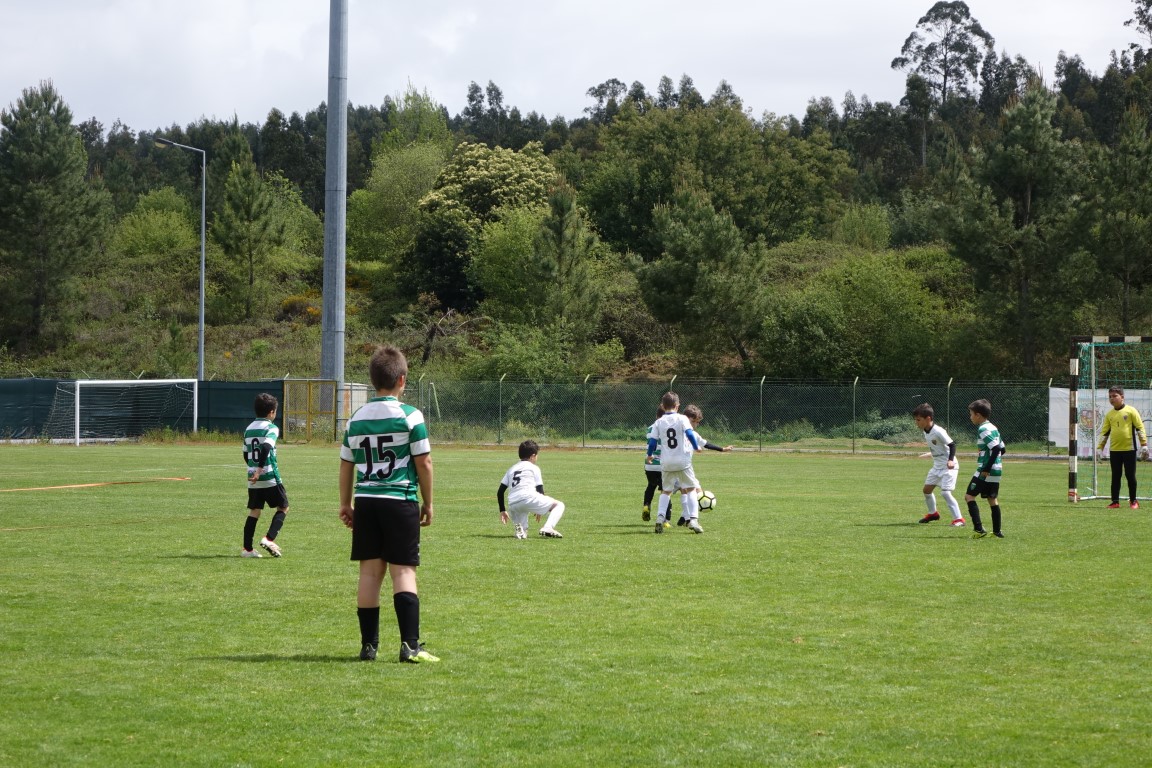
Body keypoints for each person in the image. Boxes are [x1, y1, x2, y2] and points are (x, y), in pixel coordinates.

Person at [339, 345, 439, 663]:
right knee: (403, 572)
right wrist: (428, 503)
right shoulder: (410, 415)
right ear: (402, 380)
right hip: (399, 500)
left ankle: (369, 646)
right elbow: (424, 462)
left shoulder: (356, 418)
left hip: (366, 501)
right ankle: (410, 646)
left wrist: (346, 503)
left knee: (369, 574)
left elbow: (346, 465)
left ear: (373, 380)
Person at [646, 391, 704, 534]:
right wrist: (696, 446)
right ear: (677, 406)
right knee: (691, 489)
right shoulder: (682, 418)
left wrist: (650, 455)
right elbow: (689, 433)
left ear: (663, 406)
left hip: (666, 462)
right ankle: (693, 520)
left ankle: (660, 518)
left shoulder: (658, 422)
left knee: (666, 491)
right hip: (682, 461)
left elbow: (653, 441)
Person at [242, 393, 289, 558]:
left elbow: (246, 454)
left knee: (254, 511)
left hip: (252, 478)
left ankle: (247, 549)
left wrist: (253, 470)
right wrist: (260, 469)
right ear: (271, 412)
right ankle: (269, 539)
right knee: (283, 507)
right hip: (268, 476)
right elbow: (267, 447)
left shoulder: (249, 429)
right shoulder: (271, 428)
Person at [672, 404, 733, 527]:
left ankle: (684, 517)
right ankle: (687, 518)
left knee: (687, 490)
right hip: (682, 467)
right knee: (694, 491)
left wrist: (722, 449)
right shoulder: (682, 433)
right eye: (695, 422)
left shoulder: (691, 433)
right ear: (688, 419)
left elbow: (706, 444)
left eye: (698, 422)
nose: (696, 424)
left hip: (675, 467)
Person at [497, 440, 566, 539]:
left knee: (522, 533)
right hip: (528, 499)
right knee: (559, 505)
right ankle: (548, 527)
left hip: (513, 505)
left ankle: (520, 531)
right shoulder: (534, 468)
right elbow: (540, 489)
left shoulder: (511, 469)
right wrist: (539, 509)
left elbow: (500, 492)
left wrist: (502, 510)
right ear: (532, 456)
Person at [911, 403, 965, 527]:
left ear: (928, 418)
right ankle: (933, 514)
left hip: (948, 467)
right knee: (926, 491)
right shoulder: (926, 431)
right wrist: (930, 454)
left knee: (945, 493)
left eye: (918, 420)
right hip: (937, 466)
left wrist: (950, 460)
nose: (916, 423)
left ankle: (959, 519)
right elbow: (938, 447)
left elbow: (952, 445)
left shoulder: (938, 431)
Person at [1097, 385, 1148, 509]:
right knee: (1115, 476)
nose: (1112, 399)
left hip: (1129, 450)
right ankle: (1115, 501)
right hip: (1114, 450)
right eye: (1110, 396)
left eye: (1115, 396)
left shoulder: (1131, 411)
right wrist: (1099, 448)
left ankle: (1133, 501)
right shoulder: (1109, 415)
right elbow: (1104, 432)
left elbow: (1140, 428)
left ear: (1122, 397)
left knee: (1130, 476)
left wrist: (1144, 445)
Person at [964, 399, 1006, 539]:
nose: (970, 417)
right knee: (992, 498)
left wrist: (987, 467)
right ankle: (997, 532)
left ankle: (979, 530)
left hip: (986, 469)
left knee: (969, 496)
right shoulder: (993, 427)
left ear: (978, 415)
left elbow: (997, 448)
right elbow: (1003, 448)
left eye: (971, 414)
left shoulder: (983, 429)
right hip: (997, 469)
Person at [642, 408, 664, 522]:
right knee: (665, 491)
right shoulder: (666, 427)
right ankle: (665, 519)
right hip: (661, 464)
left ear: (656, 415)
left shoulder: (650, 428)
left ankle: (646, 505)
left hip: (649, 464)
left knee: (651, 485)